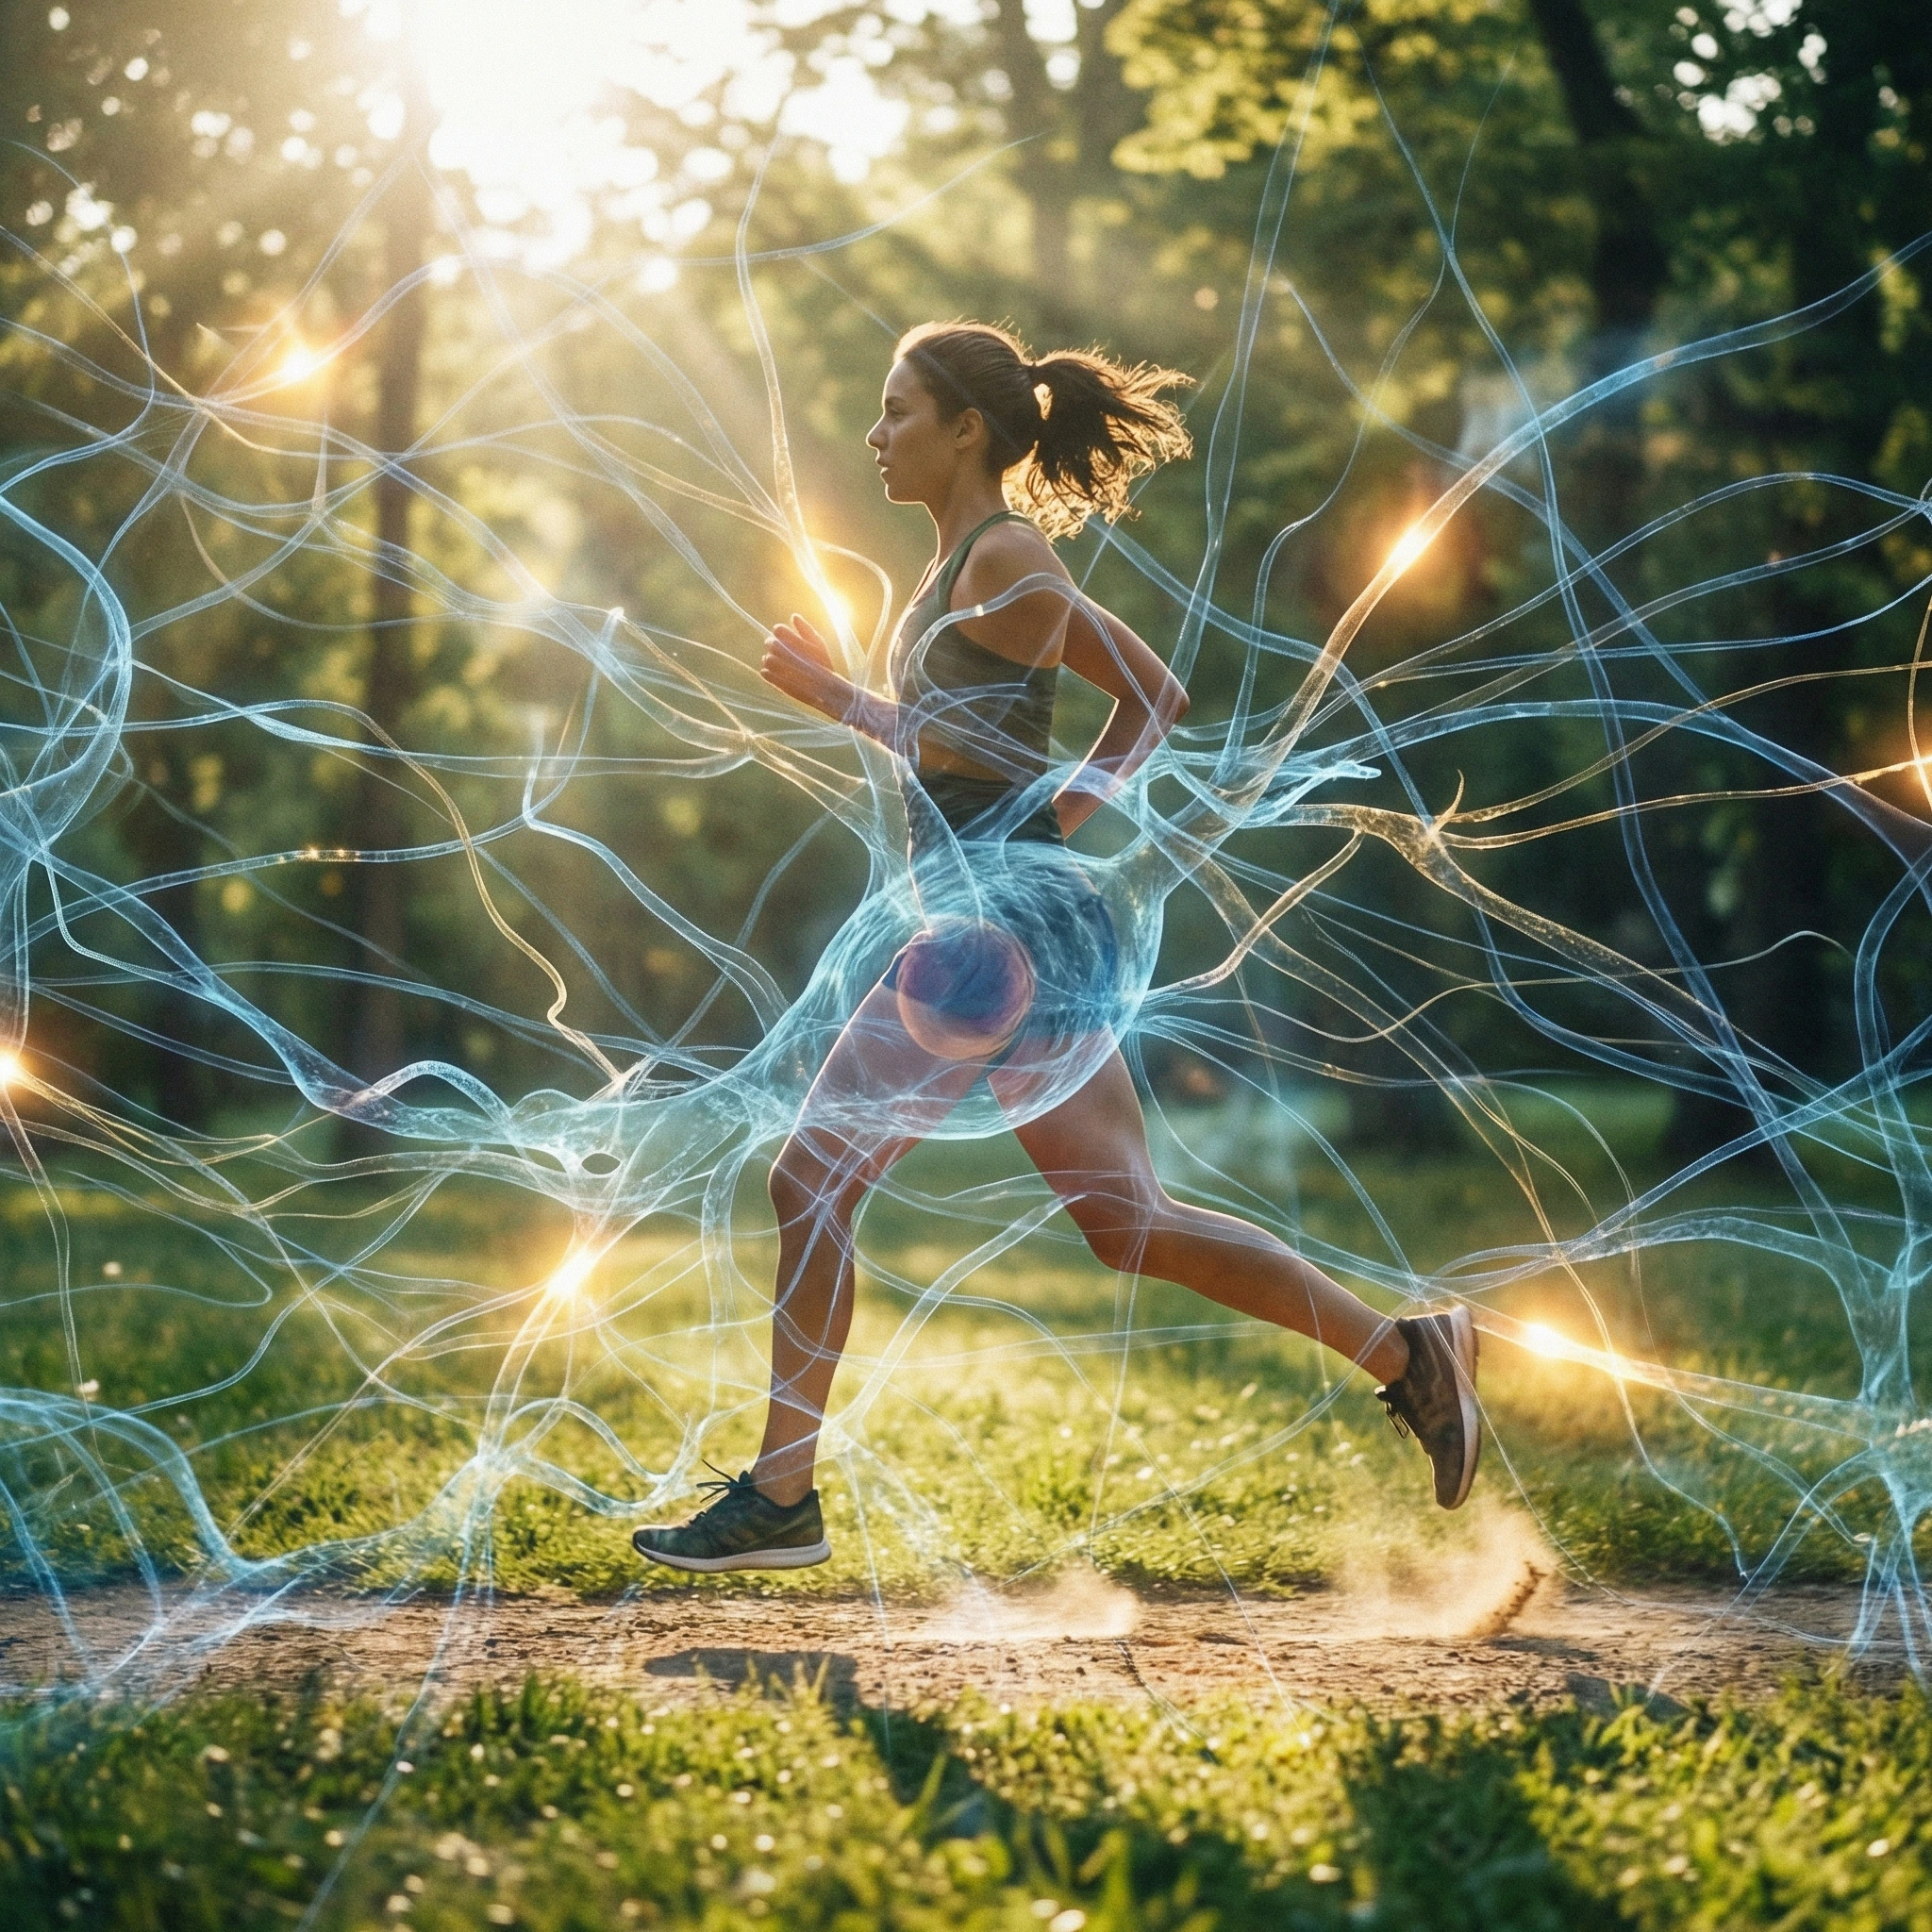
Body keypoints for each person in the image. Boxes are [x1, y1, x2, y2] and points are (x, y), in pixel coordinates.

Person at [633, 322, 1478, 1574]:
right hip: (1018, 925)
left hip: (994, 937)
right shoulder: (961, 568)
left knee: (811, 1181)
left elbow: (1117, 707)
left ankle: (783, 1496)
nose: (876, 435)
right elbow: (1042, 727)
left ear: (967, 428)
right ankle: (1409, 1354)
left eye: (898, 410)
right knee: (1129, 1223)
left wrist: (1022, 806)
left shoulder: (1004, 557)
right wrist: (951, 766)